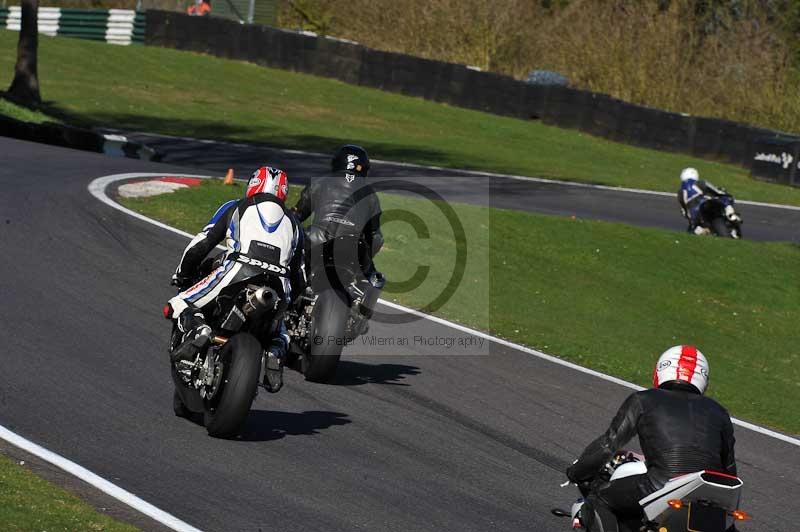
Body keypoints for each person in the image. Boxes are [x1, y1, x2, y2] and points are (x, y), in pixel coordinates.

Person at [566, 345, 737, 531]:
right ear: (704, 380)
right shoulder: (719, 411)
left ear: (660, 371)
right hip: (711, 495)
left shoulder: (643, 399)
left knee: (599, 498)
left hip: (662, 484)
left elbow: (608, 445)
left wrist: (577, 472)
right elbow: (729, 468)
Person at [165, 166, 302, 393]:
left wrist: (182, 273)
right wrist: (289, 303)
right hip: (279, 284)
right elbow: (299, 274)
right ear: (284, 191)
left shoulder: (236, 206)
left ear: (254, 184)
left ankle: (201, 330)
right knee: (281, 331)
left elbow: (201, 245)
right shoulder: (296, 225)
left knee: (179, 303)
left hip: (237, 271)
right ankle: (275, 353)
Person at [292, 144, 384, 321]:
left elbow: (297, 215)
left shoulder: (319, 182)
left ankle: (288, 295)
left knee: (292, 259)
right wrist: (367, 261)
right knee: (375, 278)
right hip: (353, 248)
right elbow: (376, 237)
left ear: (336, 163)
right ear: (364, 168)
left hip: (318, 239)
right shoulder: (371, 194)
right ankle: (359, 312)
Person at [677, 167, 727, 234]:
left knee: (691, 231)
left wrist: (691, 221)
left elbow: (685, 211)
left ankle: (704, 231)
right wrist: (723, 192)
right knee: (724, 199)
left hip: (695, 215)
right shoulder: (700, 183)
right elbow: (717, 191)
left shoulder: (680, 192)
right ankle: (730, 214)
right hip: (705, 203)